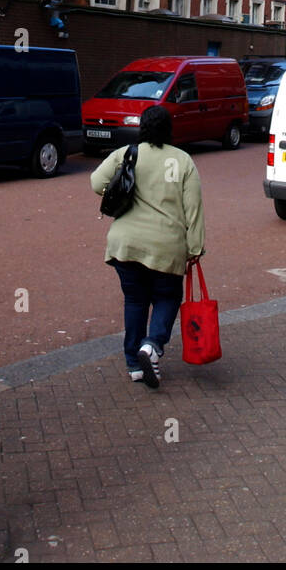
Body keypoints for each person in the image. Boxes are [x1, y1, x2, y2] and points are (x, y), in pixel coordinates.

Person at [91, 104, 204, 388]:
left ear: (142, 127)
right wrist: (195, 247)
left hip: (125, 243)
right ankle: (152, 345)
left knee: (135, 300)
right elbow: (194, 209)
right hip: (166, 244)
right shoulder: (182, 160)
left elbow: (96, 183)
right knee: (167, 296)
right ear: (169, 129)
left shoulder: (127, 153)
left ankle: (134, 365)